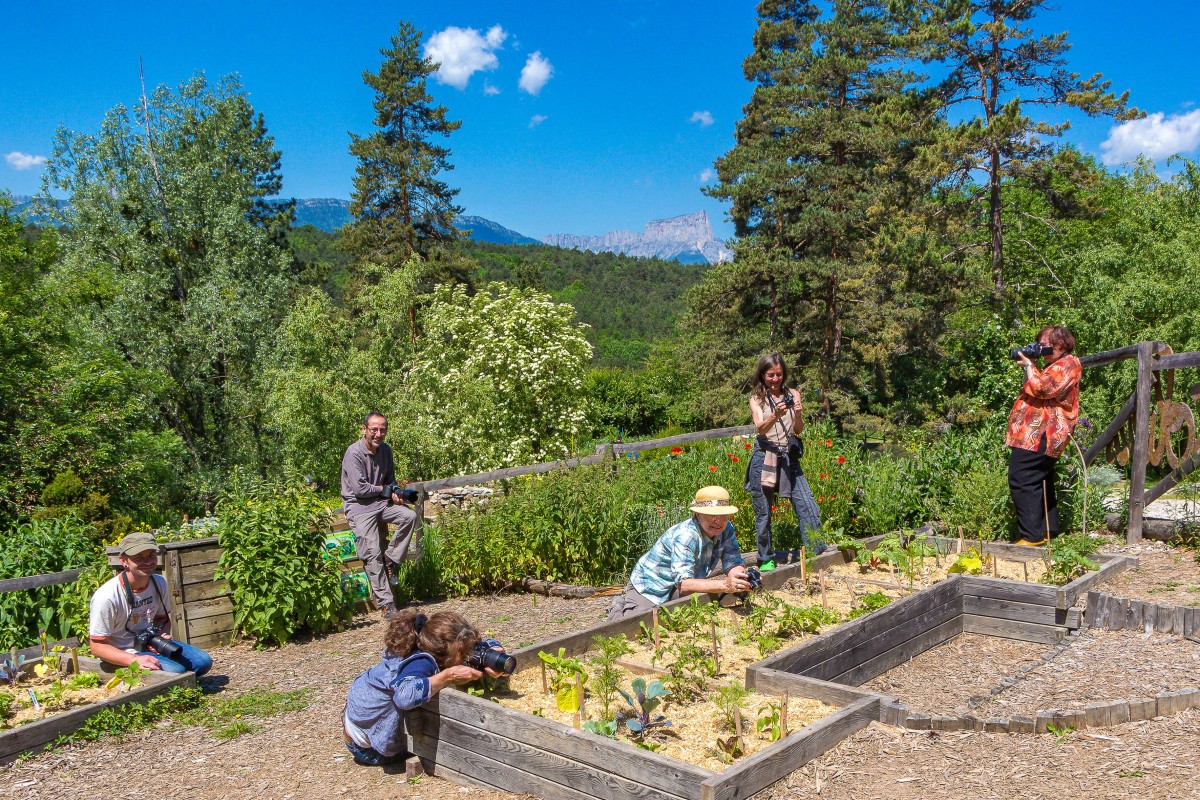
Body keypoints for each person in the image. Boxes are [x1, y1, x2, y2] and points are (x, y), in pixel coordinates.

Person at [343, 608, 506, 766]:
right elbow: (404, 696)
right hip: (367, 747)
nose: (469, 657)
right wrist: (448, 676)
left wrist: (493, 651)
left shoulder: (428, 642)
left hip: (357, 718)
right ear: (442, 656)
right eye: (464, 655)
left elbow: (475, 646)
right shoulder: (422, 663)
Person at [608, 485, 753, 620]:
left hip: (678, 583)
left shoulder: (726, 528)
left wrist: (741, 578)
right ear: (698, 514)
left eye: (723, 515)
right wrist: (725, 585)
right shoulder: (686, 536)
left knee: (702, 611)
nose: (718, 521)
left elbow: (733, 562)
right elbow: (684, 584)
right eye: (712, 515)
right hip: (650, 586)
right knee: (634, 626)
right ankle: (618, 606)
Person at [89, 532, 213, 675]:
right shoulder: (106, 597)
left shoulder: (159, 582)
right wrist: (134, 660)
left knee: (203, 661)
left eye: (151, 555)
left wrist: (161, 636)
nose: (147, 562)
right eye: (139, 558)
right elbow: (97, 646)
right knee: (175, 671)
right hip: (124, 652)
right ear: (123, 561)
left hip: (149, 644)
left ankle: (176, 680)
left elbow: (162, 618)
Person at [745, 352, 822, 571]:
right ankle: (765, 557)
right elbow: (760, 428)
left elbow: (798, 429)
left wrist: (798, 414)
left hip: (788, 458)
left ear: (784, 374)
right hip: (764, 457)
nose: (775, 379)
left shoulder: (793, 394)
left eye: (778, 374)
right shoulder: (757, 399)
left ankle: (816, 552)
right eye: (770, 375)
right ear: (762, 375)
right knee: (763, 511)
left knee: (806, 503)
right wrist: (775, 415)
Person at [1006, 325, 1082, 546]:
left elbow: (1042, 389)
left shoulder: (1068, 364)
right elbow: (1033, 387)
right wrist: (1030, 366)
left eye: (1044, 346)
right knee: (1041, 478)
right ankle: (1046, 530)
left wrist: (1030, 365)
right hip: (1037, 432)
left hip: (1043, 433)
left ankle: (1031, 536)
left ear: (1060, 344)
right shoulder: (1055, 365)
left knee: (1022, 476)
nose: (1041, 350)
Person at [341, 412, 422, 619]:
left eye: (382, 430)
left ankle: (391, 559)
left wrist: (396, 493)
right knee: (372, 552)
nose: (378, 434)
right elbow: (360, 489)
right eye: (374, 429)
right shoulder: (353, 453)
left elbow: (390, 481)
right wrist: (384, 490)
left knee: (409, 517)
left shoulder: (386, 450)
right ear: (364, 430)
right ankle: (387, 604)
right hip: (359, 507)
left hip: (380, 503)